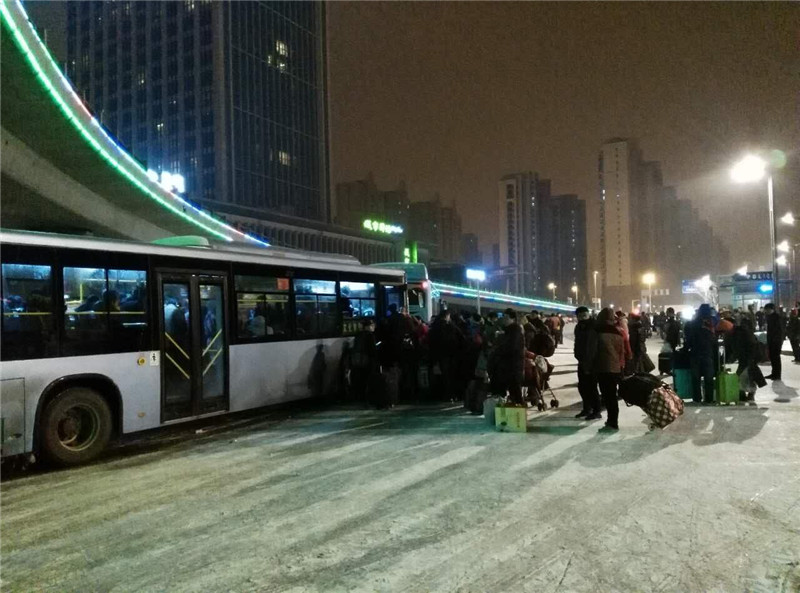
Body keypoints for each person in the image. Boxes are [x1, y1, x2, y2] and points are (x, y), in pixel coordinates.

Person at [593, 307, 625, 430]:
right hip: (615, 368)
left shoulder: (598, 333)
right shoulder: (618, 333)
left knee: (607, 395)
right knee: (612, 395)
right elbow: (622, 352)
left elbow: (594, 351)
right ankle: (613, 420)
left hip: (603, 367)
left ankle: (612, 422)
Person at [428, 309, 466, 402]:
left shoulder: (434, 327)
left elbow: (430, 341)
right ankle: (451, 394)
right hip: (452, 353)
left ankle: (442, 394)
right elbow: (462, 338)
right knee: (451, 374)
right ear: (447, 316)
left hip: (439, 355)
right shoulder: (451, 326)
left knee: (442, 375)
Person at [684, 303, 717, 403]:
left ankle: (697, 398)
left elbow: (688, 339)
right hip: (708, 353)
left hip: (695, 353)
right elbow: (714, 340)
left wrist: (685, 349)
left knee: (696, 377)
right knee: (709, 377)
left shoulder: (692, 323)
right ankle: (709, 398)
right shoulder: (712, 323)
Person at [573, 306, 600, 419]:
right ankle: (586, 408)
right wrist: (577, 355)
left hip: (592, 362)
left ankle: (596, 411)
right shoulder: (579, 327)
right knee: (582, 386)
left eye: (584, 315)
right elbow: (577, 343)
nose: (582, 318)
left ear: (588, 315)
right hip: (582, 361)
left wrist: (588, 364)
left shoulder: (593, 326)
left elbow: (592, 347)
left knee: (592, 387)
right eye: (580, 316)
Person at [497, 309, 526, 404]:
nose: (504, 319)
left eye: (506, 318)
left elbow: (511, 347)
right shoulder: (509, 330)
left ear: (513, 319)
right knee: (512, 390)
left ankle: (519, 408)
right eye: (503, 317)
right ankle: (515, 407)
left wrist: (500, 347)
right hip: (509, 364)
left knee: (515, 389)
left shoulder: (515, 331)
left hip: (514, 365)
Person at [350, 318, 379, 406]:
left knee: (360, 379)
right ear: (368, 326)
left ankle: (359, 397)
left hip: (358, 361)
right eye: (372, 325)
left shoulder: (358, 335)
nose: (373, 327)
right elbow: (372, 349)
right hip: (367, 361)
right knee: (368, 380)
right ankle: (368, 398)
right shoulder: (370, 335)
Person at [731, 317, 761, 402]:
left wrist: (732, 358)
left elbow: (737, 348)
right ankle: (749, 395)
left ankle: (743, 394)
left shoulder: (740, 334)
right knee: (749, 377)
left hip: (745, 359)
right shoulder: (750, 334)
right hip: (750, 359)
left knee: (741, 377)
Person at [764, 303, 784, 381]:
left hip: (776, 341)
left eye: (767, 309)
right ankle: (774, 373)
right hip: (771, 340)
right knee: (772, 357)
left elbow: (779, 330)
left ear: (771, 309)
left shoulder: (777, 317)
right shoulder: (770, 317)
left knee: (776, 358)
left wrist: (776, 340)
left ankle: (777, 375)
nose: (766, 311)